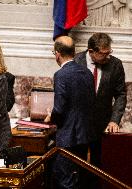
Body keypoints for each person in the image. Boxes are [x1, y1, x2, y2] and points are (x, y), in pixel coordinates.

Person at [74, 33, 127, 188]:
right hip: (79, 125)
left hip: (102, 125)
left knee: (99, 167)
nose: (107, 57)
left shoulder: (115, 64)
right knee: (78, 165)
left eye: (109, 52)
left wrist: (114, 120)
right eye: (104, 54)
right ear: (91, 51)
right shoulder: (76, 61)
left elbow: (121, 94)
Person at [44, 36, 95, 189]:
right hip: (84, 135)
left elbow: (59, 109)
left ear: (57, 54)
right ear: (73, 52)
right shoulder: (86, 72)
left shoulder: (61, 75)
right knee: (78, 179)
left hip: (68, 137)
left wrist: (50, 117)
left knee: (64, 180)